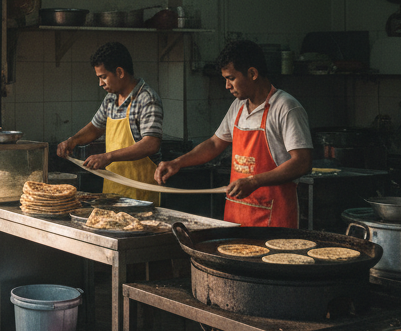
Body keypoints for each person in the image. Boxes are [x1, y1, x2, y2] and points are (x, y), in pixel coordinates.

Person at [156, 38, 313, 227]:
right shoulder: (238, 107)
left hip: (273, 220)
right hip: (237, 216)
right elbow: (214, 144)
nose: (227, 86)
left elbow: (302, 162)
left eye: (231, 78)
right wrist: (178, 162)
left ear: (252, 73)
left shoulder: (285, 107)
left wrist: (254, 181)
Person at [56, 42, 163, 202]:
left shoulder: (146, 99)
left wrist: (108, 157)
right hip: (113, 189)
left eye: (103, 77)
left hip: (141, 192)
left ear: (119, 72)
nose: (100, 83)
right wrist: (73, 141)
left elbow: (151, 143)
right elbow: (95, 127)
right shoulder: (111, 99)